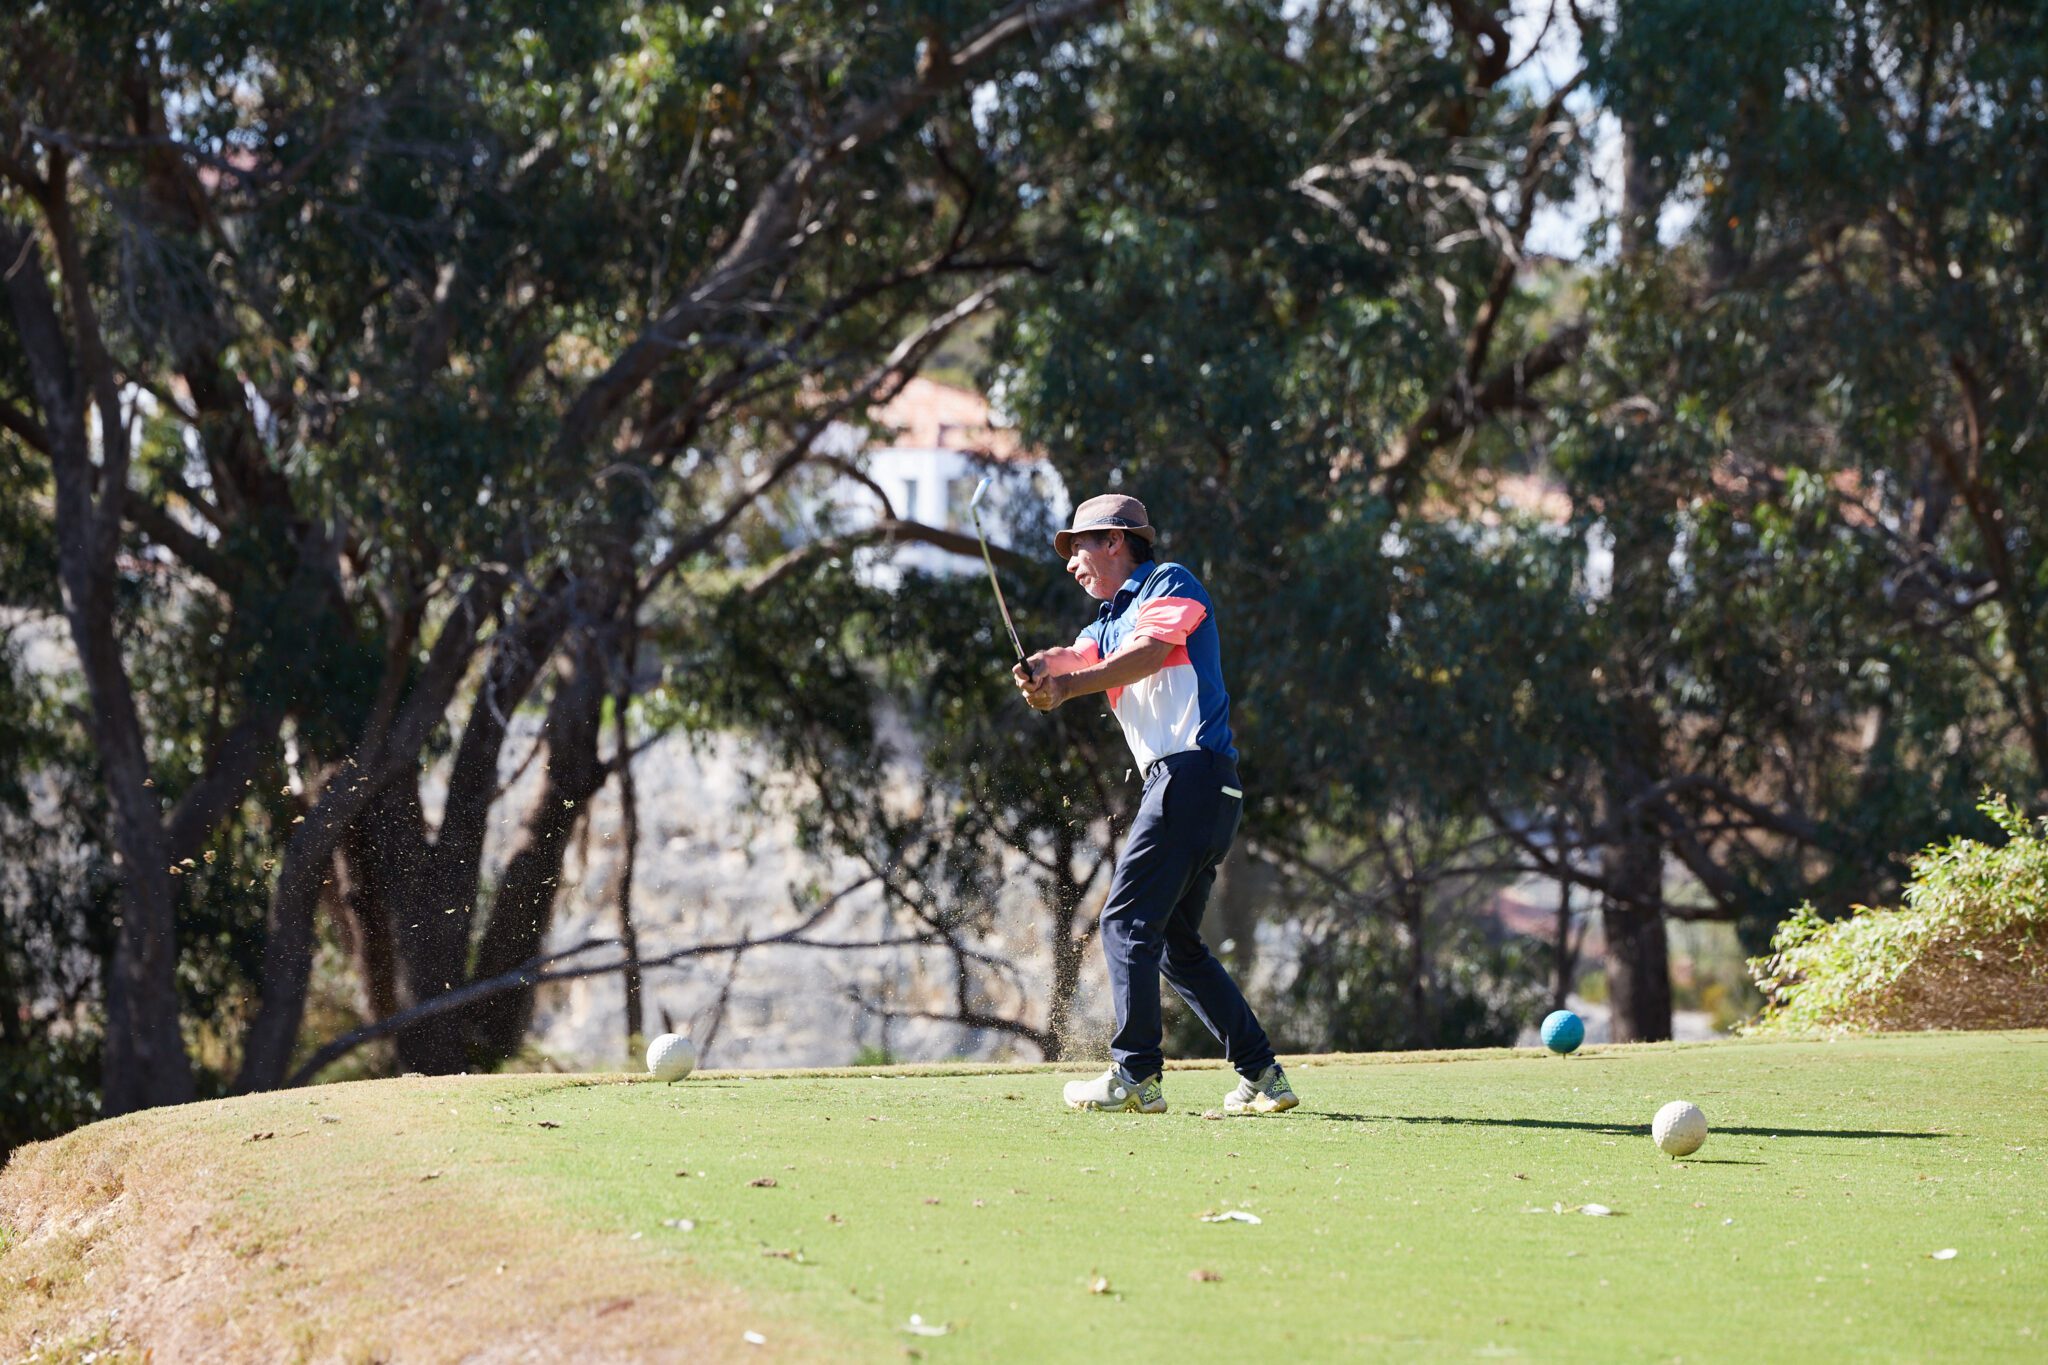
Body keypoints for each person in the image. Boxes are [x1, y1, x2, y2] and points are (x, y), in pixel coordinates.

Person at [1014, 494, 1297, 1116]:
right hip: (1204, 790)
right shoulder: (1108, 621)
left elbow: (1144, 657)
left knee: (1124, 922)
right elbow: (1075, 656)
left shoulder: (1169, 582)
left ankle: (1135, 1074)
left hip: (1188, 778)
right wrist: (1038, 669)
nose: (1072, 564)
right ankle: (1262, 1075)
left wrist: (1065, 688)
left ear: (1116, 540)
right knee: (1173, 943)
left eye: (1079, 548)